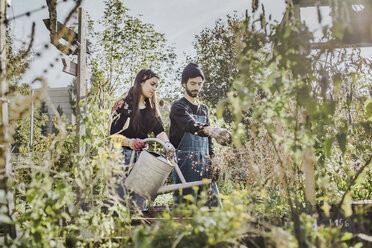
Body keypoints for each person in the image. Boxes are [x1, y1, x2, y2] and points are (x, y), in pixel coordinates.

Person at [110, 69, 175, 210]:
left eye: (157, 86)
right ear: (140, 82)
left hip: (142, 160)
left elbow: (159, 131)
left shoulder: (151, 109)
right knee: (117, 203)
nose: (154, 89)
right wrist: (131, 142)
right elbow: (113, 136)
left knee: (138, 205)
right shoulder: (121, 105)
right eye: (152, 84)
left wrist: (168, 144)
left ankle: (136, 230)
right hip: (120, 158)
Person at [169, 63, 231, 207]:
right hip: (185, 164)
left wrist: (213, 159)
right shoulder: (178, 106)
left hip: (204, 164)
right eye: (192, 83)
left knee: (214, 209)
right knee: (186, 210)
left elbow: (209, 141)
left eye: (199, 84)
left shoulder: (204, 109)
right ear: (184, 84)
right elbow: (190, 124)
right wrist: (211, 130)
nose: (196, 87)